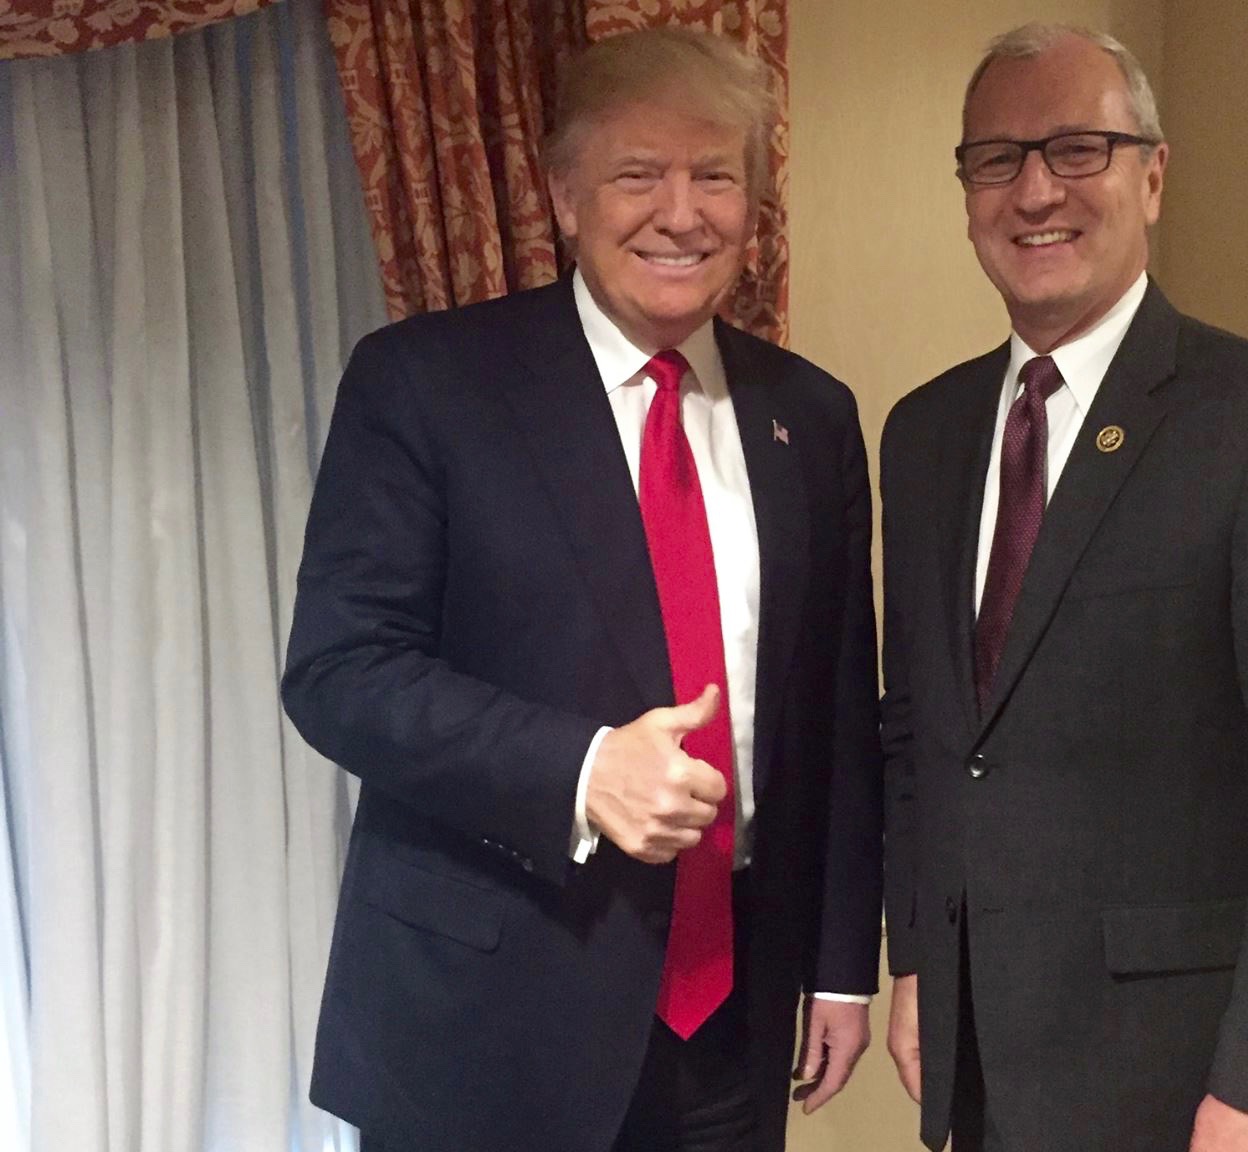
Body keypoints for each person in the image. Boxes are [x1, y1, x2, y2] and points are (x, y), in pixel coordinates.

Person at [282, 27, 882, 1152]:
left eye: (715, 177)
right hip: (486, 1020)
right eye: (637, 174)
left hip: (732, 1019)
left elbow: (840, 713)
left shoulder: (812, 415)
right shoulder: (427, 383)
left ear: (754, 204)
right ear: (564, 196)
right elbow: (341, 674)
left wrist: (843, 967)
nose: (681, 213)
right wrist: (582, 768)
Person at [879, 23, 1248, 1152]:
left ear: (1153, 176)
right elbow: (921, 734)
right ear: (967, 194)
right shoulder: (922, 436)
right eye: (997, 158)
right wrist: (920, 956)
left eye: (1079, 148)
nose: (1035, 191)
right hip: (981, 1068)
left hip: (1192, 1085)